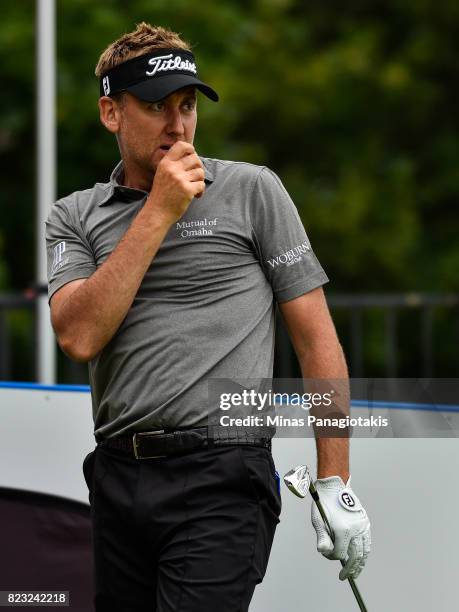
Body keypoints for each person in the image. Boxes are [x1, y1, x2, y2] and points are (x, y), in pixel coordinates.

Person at [46, 22, 370, 612]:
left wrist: (335, 482)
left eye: (187, 106)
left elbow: (317, 340)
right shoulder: (73, 216)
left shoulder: (253, 190)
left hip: (224, 473)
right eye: (154, 106)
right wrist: (159, 211)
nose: (177, 125)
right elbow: (79, 335)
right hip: (118, 476)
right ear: (111, 113)